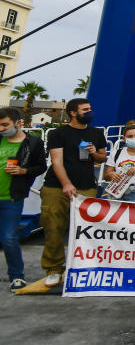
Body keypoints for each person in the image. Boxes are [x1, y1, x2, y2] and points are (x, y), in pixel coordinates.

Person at [40, 97, 107, 287]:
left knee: (84, 231)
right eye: (85, 109)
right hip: (56, 187)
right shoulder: (58, 133)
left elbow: (102, 158)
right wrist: (66, 184)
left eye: (90, 108)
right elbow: (57, 161)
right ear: (73, 112)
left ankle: (80, 266)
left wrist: (94, 153)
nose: (90, 111)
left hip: (87, 186)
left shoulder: (96, 133)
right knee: (54, 227)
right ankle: (54, 269)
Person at [0, 107, 46, 292]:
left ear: (17, 123)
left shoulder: (33, 143)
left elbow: (41, 167)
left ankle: (17, 276)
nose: (2, 129)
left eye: (5, 125)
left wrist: (23, 171)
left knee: (9, 238)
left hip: (12, 197)